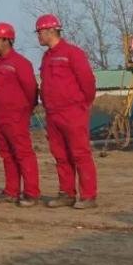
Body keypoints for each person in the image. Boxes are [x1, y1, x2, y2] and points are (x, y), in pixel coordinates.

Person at [37, 14, 98, 209]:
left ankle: (88, 196)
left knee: (80, 153)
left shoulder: (72, 53)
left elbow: (87, 81)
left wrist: (82, 104)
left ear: (51, 31)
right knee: (60, 155)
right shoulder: (47, 57)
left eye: (40, 32)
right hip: (53, 113)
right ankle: (67, 193)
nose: (38, 36)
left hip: (72, 111)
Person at [0, 22, 40, 206]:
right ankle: (11, 190)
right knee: (7, 155)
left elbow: (30, 89)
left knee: (23, 154)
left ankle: (31, 192)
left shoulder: (20, 63)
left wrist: (25, 109)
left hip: (15, 117)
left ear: (7, 40)